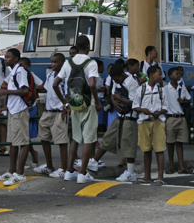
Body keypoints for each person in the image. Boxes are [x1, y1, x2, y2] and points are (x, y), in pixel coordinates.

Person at [54, 35, 101, 184]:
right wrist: (97, 101)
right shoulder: (91, 63)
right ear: (88, 47)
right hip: (89, 104)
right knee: (89, 139)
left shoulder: (68, 63)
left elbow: (55, 84)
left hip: (74, 103)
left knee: (75, 137)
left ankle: (69, 171)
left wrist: (64, 102)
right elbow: (92, 84)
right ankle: (82, 173)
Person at [92, 64, 140, 182]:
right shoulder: (116, 81)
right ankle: (94, 161)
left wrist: (121, 99)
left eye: (116, 79)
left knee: (129, 144)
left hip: (130, 118)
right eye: (113, 80)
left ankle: (130, 172)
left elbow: (134, 102)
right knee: (108, 138)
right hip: (120, 117)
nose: (115, 81)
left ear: (122, 75)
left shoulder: (131, 83)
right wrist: (114, 101)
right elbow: (113, 94)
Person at [0, 48, 32, 186]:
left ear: (16, 58)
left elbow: (25, 90)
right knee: (13, 141)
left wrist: (5, 91)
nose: (6, 59)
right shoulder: (13, 72)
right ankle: (12, 170)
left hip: (20, 110)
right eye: (5, 57)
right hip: (13, 110)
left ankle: (20, 173)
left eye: (8, 57)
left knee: (22, 142)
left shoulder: (20, 71)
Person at [33, 53, 69, 177]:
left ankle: (63, 169)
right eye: (52, 62)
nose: (53, 64)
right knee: (44, 138)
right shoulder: (49, 75)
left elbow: (67, 95)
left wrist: (64, 110)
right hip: (48, 111)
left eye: (56, 62)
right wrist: (44, 110)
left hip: (59, 112)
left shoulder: (64, 77)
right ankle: (49, 166)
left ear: (62, 63)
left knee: (61, 141)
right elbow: (48, 93)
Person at [133, 66, 167, 185]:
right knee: (146, 149)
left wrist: (160, 112)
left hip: (158, 122)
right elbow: (135, 106)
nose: (161, 76)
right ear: (151, 75)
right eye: (159, 74)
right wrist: (143, 110)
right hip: (144, 121)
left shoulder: (162, 90)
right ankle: (147, 176)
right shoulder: (141, 89)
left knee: (159, 149)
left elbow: (165, 107)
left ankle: (160, 176)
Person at [165, 67, 193, 175]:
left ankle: (181, 166)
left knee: (180, 143)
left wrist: (183, 101)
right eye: (176, 74)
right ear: (170, 76)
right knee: (171, 143)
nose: (178, 75)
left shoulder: (181, 87)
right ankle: (171, 165)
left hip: (181, 117)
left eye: (179, 74)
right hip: (171, 117)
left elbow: (189, 99)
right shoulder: (166, 89)